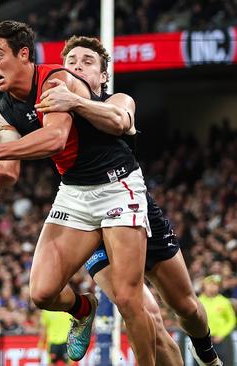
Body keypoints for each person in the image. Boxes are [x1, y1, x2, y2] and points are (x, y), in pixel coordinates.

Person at [0, 21, 156, 365]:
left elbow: (55, 139)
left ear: (24, 54)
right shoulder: (7, 108)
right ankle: (83, 307)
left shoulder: (55, 79)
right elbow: (9, 173)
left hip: (116, 186)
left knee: (128, 297)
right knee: (42, 292)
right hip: (74, 192)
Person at [34, 35, 223, 366]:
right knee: (140, 309)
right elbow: (13, 126)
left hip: (133, 211)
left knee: (187, 307)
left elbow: (121, 120)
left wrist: (74, 101)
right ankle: (85, 312)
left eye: (88, 62)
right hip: (88, 219)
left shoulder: (116, 99)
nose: (77, 66)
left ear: (104, 76)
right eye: (71, 62)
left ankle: (206, 353)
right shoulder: (52, 113)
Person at [198, 275, 235, 363]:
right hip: (203, 340)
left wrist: (222, 334)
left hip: (220, 340)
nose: (212, 287)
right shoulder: (198, 301)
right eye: (209, 284)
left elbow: (232, 320)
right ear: (204, 286)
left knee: (223, 362)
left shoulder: (224, 301)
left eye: (215, 285)